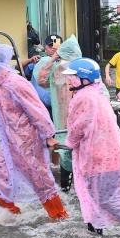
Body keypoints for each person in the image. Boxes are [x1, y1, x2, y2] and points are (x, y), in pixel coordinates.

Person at [0, 43, 69, 220]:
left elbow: (37, 109)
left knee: (40, 179)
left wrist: (48, 136)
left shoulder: (14, 82)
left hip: (28, 140)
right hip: (10, 141)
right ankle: (13, 214)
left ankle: (60, 216)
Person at [62, 57, 120, 236]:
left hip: (98, 158)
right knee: (101, 197)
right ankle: (99, 233)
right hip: (110, 156)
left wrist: (66, 143)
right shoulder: (97, 94)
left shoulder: (83, 98)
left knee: (105, 198)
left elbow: (77, 128)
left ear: (83, 79)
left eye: (73, 77)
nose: (69, 80)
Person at [37, 35, 84, 178]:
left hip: (81, 119)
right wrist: (52, 59)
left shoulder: (84, 69)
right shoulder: (57, 70)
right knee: (65, 150)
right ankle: (67, 187)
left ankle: (74, 188)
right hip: (63, 120)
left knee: (79, 152)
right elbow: (41, 81)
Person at [30, 34, 61, 115]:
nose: (54, 49)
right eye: (51, 46)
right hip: (43, 105)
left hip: (55, 104)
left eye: (57, 46)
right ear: (45, 47)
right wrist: (30, 60)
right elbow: (19, 68)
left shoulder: (64, 62)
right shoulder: (39, 60)